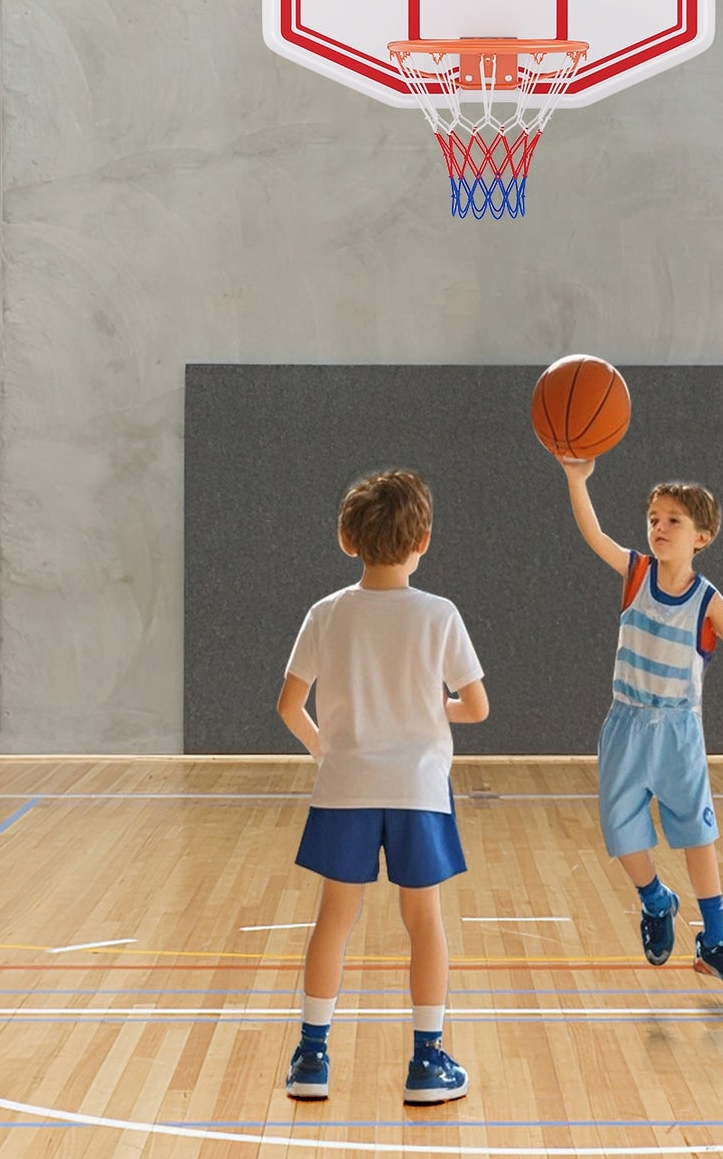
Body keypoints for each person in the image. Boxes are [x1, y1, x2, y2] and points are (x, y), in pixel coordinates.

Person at [277, 469, 488, 1104]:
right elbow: (475, 706)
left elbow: (289, 705)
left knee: (334, 920)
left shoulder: (326, 613)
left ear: (347, 537)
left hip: (345, 787)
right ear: (424, 537)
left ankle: (312, 1060)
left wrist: (328, 752)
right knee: (424, 922)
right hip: (418, 790)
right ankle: (427, 1063)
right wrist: (425, 709)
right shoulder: (439, 615)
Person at [558, 457, 723, 983]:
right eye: (653, 518)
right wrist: (578, 480)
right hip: (625, 724)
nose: (659, 528)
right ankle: (655, 900)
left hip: (677, 731)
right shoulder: (636, 573)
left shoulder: (708, 602)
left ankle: (714, 939)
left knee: (696, 837)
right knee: (623, 837)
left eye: (673, 520)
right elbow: (593, 532)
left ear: (702, 537)